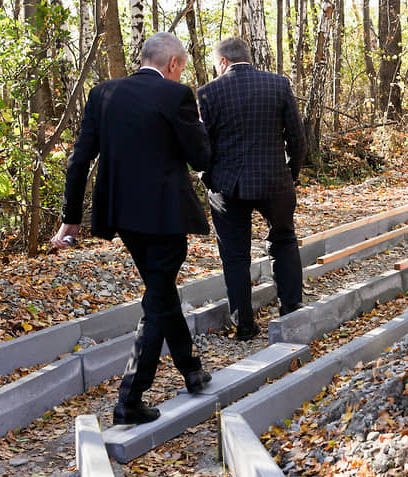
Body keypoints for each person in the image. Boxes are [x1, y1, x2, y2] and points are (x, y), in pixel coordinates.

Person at [50, 32, 213, 426]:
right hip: (165, 216)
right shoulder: (176, 96)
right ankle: (130, 398)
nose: (180, 75)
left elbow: (78, 160)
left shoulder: (102, 94)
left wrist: (70, 217)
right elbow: (200, 157)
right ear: (172, 64)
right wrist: (199, 129)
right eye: (181, 69)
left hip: (122, 217)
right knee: (157, 298)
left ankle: (191, 368)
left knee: (160, 287)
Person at [197, 37, 307, 341]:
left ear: (222, 62)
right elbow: (297, 138)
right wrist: (290, 174)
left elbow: (202, 146)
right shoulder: (278, 84)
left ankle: (244, 324)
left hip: (226, 186)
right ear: (248, 57)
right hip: (275, 181)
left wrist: (208, 175)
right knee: (284, 240)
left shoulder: (208, 93)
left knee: (234, 255)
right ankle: (291, 308)